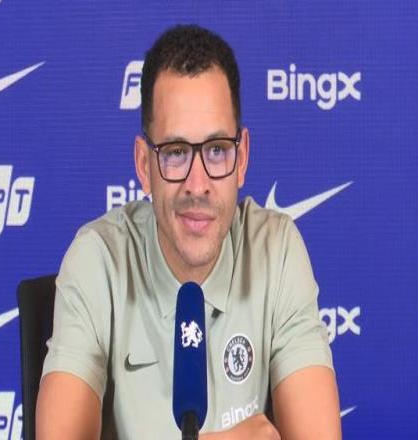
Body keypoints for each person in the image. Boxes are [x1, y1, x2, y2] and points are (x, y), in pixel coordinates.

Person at [36, 24, 341, 439]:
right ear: (144, 165)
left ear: (242, 159)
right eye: (176, 153)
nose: (198, 185)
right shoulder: (98, 260)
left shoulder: (276, 250)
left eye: (217, 150)